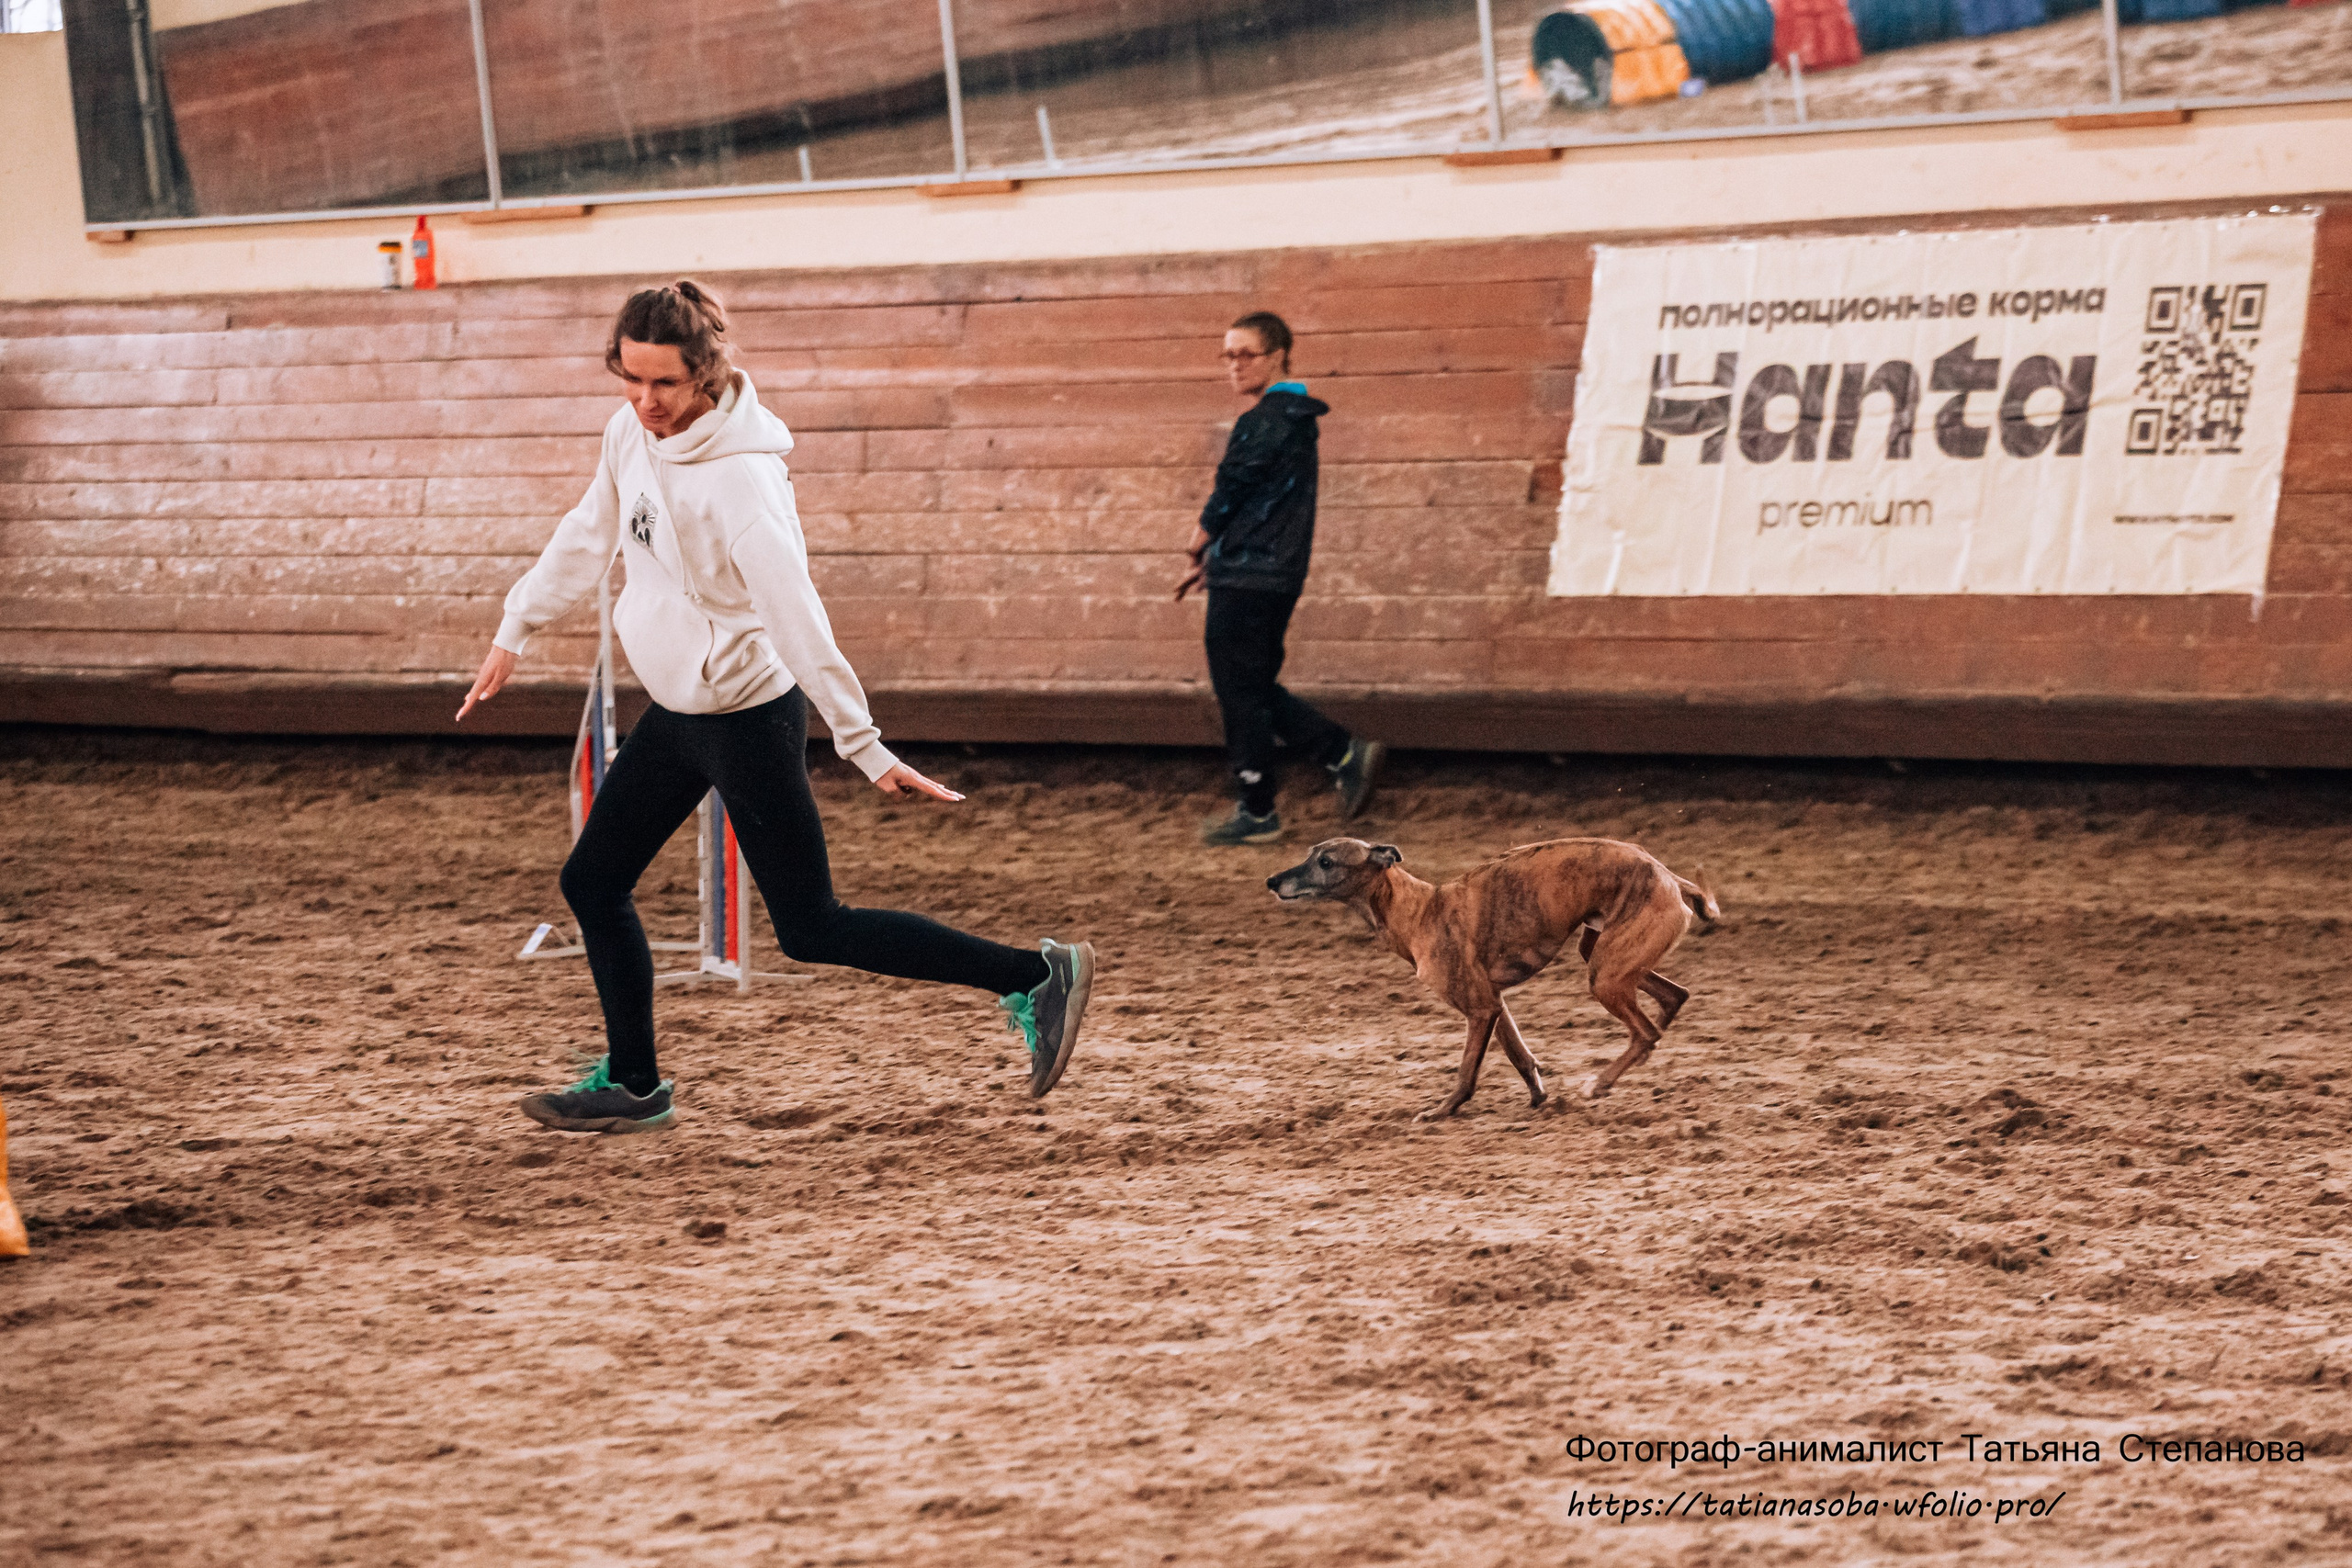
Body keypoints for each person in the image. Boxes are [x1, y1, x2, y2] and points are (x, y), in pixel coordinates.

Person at [458, 280, 1094, 1134]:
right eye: (632, 380)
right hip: (677, 712)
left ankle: (1034, 975)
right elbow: (588, 529)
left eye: (666, 385)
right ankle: (636, 1083)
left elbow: (799, 619)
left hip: (748, 717)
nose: (646, 402)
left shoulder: (745, 487)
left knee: (810, 926)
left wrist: (863, 746)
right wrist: (516, 626)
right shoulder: (627, 434)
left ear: (707, 374)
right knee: (594, 880)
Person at [1176, 310, 1382, 846]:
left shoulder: (1265, 419)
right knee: (1253, 685)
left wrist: (1202, 539)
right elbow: (1262, 503)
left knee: (1238, 690)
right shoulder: (1295, 417)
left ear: (1278, 357)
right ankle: (1339, 752)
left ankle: (1260, 809)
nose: (1235, 365)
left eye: (1246, 354)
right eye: (1228, 355)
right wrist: (1219, 558)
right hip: (1269, 572)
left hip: (1249, 575)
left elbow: (1233, 487)